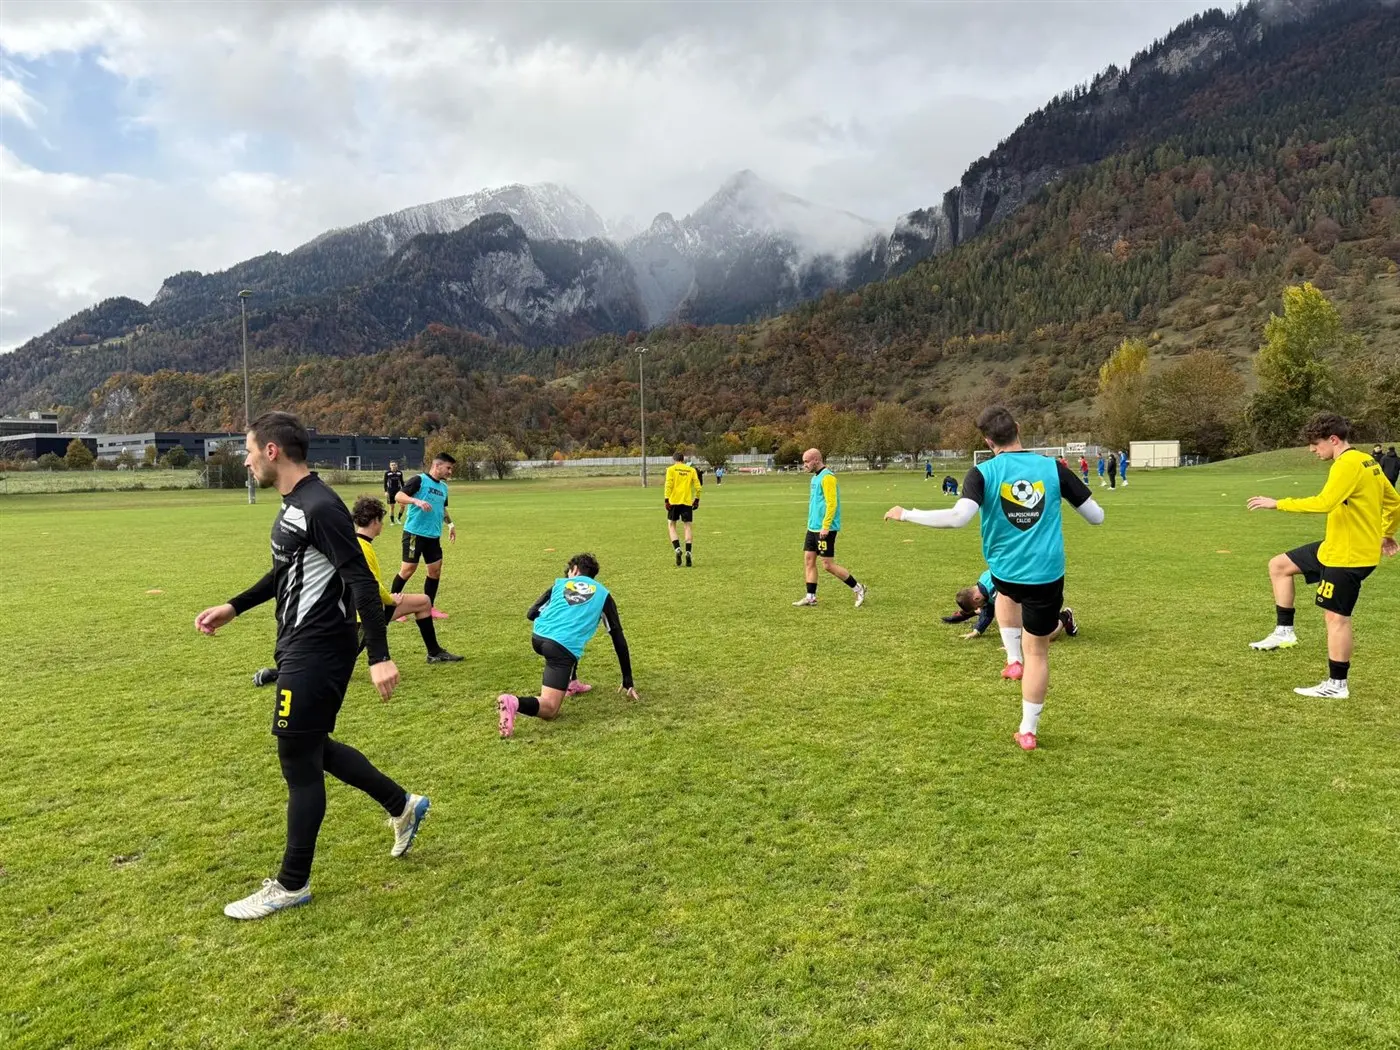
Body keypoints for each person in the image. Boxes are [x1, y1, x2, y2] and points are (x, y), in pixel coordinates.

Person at [194, 411, 429, 921]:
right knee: (311, 745)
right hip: (299, 645)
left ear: (273, 451)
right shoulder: (296, 506)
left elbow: (363, 584)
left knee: (297, 761)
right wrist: (234, 606)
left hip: (319, 650)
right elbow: (286, 570)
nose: (247, 457)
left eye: (249, 448)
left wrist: (381, 657)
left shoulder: (320, 506)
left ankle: (291, 883)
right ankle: (402, 804)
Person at [884, 405, 1104, 750]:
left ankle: (1013, 659)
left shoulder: (982, 472)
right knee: (1040, 654)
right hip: (1046, 573)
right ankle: (1028, 730)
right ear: (1018, 428)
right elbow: (1096, 517)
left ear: (987, 441)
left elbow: (958, 518)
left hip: (1005, 570)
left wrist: (906, 514)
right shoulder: (1053, 468)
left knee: (1003, 592)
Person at [1246, 413, 1398, 698]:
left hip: (1349, 556)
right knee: (1279, 565)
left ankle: (1337, 685)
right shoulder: (1368, 461)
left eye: (1316, 444)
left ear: (1333, 440)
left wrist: (1278, 503)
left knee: (1336, 618)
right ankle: (1284, 631)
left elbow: (1326, 502)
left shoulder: (1347, 464)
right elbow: (1394, 501)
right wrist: (1387, 532)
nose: (1312, 450)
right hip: (1335, 547)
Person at [251, 496, 463, 685]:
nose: (381, 526)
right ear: (375, 522)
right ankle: (277, 673)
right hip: (364, 615)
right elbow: (370, 584)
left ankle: (434, 652)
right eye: (380, 521)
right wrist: (391, 599)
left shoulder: (355, 542)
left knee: (423, 602)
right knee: (334, 667)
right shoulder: (361, 547)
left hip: (362, 611)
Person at [497, 553, 637, 737]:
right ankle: (513, 702)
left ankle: (572, 683)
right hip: (560, 648)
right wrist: (627, 679)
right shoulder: (603, 594)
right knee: (550, 710)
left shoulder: (559, 584)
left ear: (575, 570)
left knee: (573, 638)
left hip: (538, 637)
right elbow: (618, 637)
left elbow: (531, 613)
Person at [793, 447, 867, 608]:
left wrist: (825, 526)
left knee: (827, 565)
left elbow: (831, 504)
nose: (804, 464)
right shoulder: (814, 478)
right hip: (812, 528)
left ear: (816, 460)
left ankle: (859, 588)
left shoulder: (828, 478)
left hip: (825, 529)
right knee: (809, 560)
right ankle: (810, 597)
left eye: (806, 461)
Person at [950, 569, 1078, 655]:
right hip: (1035, 589)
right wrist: (977, 630)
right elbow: (988, 610)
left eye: (977, 605)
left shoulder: (992, 591)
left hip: (1042, 589)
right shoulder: (983, 581)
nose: (980, 608)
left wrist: (1012, 644)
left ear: (976, 598)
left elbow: (1013, 613)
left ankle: (1066, 615)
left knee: (1046, 636)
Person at [392, 452, 457, 618]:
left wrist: (450, 524)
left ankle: (429, 607)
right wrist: (416, 501)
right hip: (414, 534)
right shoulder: (419, 480)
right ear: (437, 466)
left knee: (435, 571)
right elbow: (398, 495)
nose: (450, 472)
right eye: (448, 468)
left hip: (433, 536)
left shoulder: (443, 488)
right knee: (407, 570)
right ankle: (393, 606)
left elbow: (442, 508)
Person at [663, 451, 701, 567]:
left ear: (674, 459)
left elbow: (668, 484)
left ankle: (678, 549)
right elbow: (698, 486)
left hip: (674, 501)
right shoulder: (691, 470)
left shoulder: (671, 470)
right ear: (683, 459)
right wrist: (697, 499)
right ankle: (688, 552)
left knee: (671, 525)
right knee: (687, 526)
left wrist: (666, 499)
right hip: (686, 502)